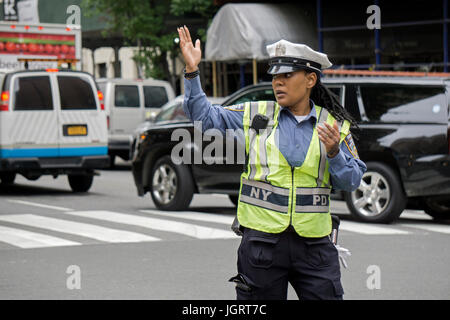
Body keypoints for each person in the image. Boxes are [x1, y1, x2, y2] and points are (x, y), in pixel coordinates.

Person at [177, 26, 367, 300]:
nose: (278, 83)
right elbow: (203, 118)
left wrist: (335, 152)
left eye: (287, 76)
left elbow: (352, 182)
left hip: (315, 247)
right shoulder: (257, 114)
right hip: (261, 245)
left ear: (310, 79)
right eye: (275, 77)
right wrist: (192, 72)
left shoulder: (334, 126)